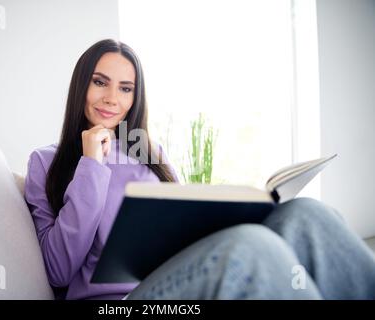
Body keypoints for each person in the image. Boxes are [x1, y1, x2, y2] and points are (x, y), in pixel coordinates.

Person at [24, 39, 375, 300]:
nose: (112, 98)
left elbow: (182, 230)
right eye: (100, 82)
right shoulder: (45, 162)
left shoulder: (151, 154)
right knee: (250, 247)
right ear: (81, 84)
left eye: (125, 88)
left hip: (177, 279)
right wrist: (90, 165)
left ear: (135, 97)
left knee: (306, 214)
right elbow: (57, 271)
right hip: (117, 304)